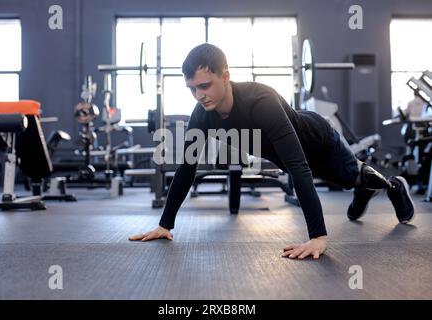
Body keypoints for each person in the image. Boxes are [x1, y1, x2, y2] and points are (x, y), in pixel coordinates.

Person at [129, 43, 415, 260]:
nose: (198, 95)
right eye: (192, 89)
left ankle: (393, 186)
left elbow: (299, 166)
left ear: (225, 76)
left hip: (319, 140)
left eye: (205, 86)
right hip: (292, 157)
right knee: (349, 180)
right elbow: (186, 168)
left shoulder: (260, 101)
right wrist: (165, 224)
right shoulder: (202, 114)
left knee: (352, 176)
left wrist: (317, 237)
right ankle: (362, 188)